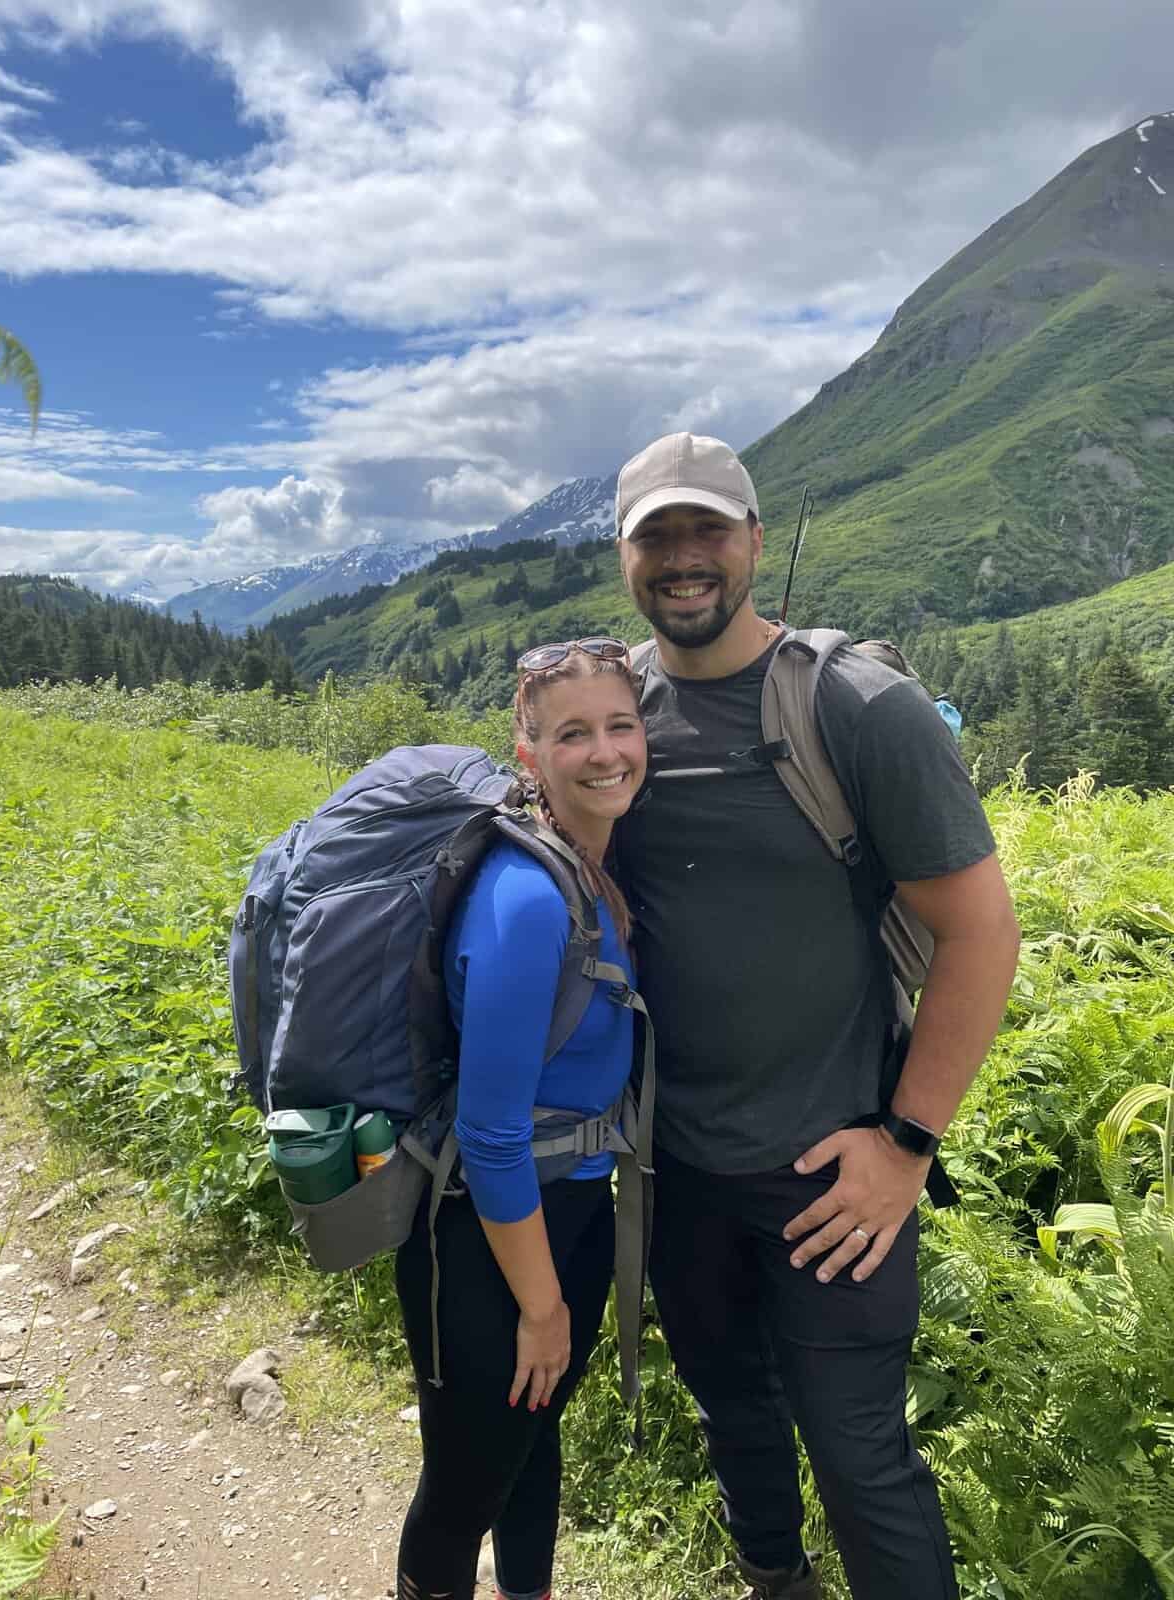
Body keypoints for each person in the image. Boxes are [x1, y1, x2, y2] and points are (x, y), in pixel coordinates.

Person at [611, 432, 1021, 1600]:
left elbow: (982, 934)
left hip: (832, 1175)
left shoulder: (857, 706)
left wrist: (907, 1146)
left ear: (752, 540)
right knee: (731, 1410)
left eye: (707, 529)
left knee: (860, 1460)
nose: (683, 557)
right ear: (625, 557)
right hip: (676, 1167)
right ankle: (772, 1581)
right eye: (656, 535)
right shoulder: (613, 714)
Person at [394, 638, 648, 1600]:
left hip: (569, 1213)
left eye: (621, 725)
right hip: (487, 1238)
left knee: (530, 1445)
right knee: (462, 1493)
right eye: (573, 733)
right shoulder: (527, 897)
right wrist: (541, 1310)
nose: (605, 752)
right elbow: (493, 1130)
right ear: (529, 752)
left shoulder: (592, 870)